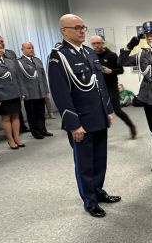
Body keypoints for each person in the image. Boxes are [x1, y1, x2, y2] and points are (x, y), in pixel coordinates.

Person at [48, 14, 120, 218]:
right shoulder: (59, 56)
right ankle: (89, 201)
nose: (81, 31)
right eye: (77, 27)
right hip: (81, 120)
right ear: (64, 31)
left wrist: (108, 110)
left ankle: (98, 191)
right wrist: (73, 124)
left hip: (98, 116)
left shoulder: (89, 52)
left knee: (100, 159)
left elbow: (100, 86)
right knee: (85, 164)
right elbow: (60, 93)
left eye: (83, 27)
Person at [117, 21, 152, 172]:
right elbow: (121, 61)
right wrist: (131, 45)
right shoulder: (143, 54)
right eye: (147, 35)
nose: (149, 38)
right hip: (148, 98)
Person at [90, 35, 137, 139]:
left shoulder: (112, 55)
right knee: (98, 111)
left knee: (117, 111)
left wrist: (111, 71)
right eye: (94, 44)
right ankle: (99, 134)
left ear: (103, 43)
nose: (96, 45)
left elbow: (121, 70)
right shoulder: (90, 56)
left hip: (111, 87)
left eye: (98, 43)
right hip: (97, 88)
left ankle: (131, 126)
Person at [17, 42, 53, 139]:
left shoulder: (37, 60)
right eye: (29, 48)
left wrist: (46, 89)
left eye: (32, 47)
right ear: (23, 50)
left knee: (41, 112)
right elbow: (20, 79)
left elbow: (43, 76)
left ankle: (43, 130)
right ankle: (36, 132)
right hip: (30, 93)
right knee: (32, 114)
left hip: (40, 91)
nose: (31, 49)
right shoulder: (20, 62)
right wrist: (23, 92)